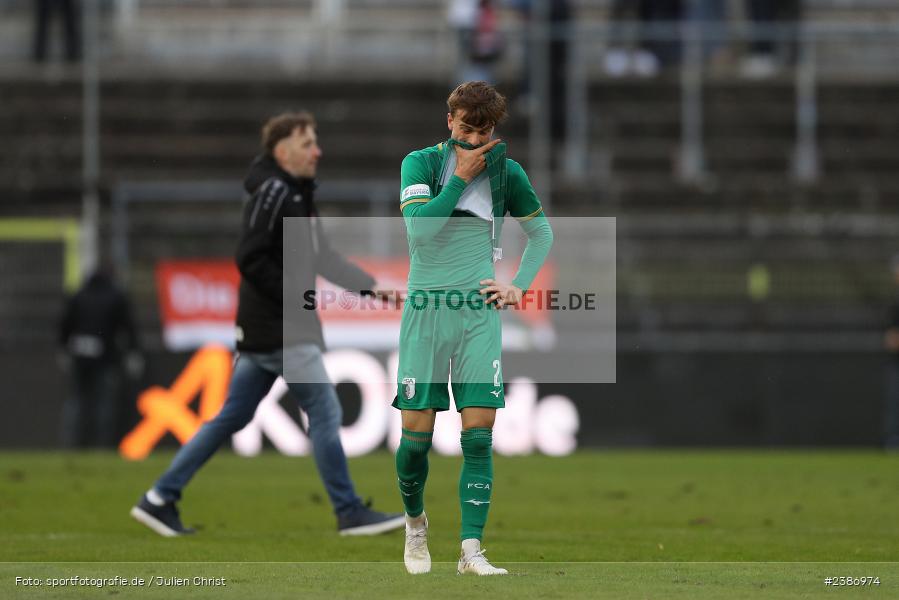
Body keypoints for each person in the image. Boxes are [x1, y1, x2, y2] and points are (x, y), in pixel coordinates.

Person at [130, 112, 404, 537]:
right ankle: (348, 511)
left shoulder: (294, 194)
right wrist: (293, 297)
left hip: (265, 330)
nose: (318, 151)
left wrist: (373, 288)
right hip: (282, 329)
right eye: (308, 143)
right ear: (282, 151)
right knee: (326, 410)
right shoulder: (277, 191)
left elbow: (324, 259)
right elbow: (249, 256)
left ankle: (159, 497)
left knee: (229, 418)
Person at [393, 82, 553, 575]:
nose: (472, 140)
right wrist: (458, 180)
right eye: (465, 128)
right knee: (414, 441)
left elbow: (541, 232)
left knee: (479, 434)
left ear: (493, 130)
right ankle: (415, 523)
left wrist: (518, 286)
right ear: (450, 122)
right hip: (425, 310)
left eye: (482, 131)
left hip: (477, 314)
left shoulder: (509, 173)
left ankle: (470, 550)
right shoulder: (419, 164)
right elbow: (420, 233)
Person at [59, 267, 141, 448]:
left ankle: (71, 443)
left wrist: (64, 349)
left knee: (76, 402)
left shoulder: (78, 296)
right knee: (104, 404)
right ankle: (102, 445)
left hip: (79, 357)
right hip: (106, 358)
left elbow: (64, 325)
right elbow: (128, 327)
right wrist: (133, 352)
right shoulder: (115, 297)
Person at [883, 255, 899, 449]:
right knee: (894, 402)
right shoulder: (895, 306)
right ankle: (893, 439)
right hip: (896, 363)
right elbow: (891, 340)